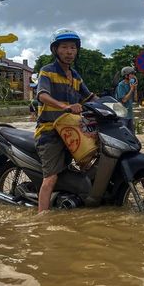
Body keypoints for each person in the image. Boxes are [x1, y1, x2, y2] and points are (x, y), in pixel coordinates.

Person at [34, 29, 96, 213]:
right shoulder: (47, 71)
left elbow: (90, 97)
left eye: (73, 48)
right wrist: (63, 106)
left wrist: (110, 107)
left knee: (88, 161)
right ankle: (42, 219)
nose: (69, 51)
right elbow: (42, 95)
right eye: (65, 47)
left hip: (72, 129)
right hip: (49, 131)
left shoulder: (76, 76)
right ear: (55, 50)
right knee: (50, 178)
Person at [115, 66, 137, 133]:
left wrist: (135, 89)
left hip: (130, 114)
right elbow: (124, 100)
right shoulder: (121, 85)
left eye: (133, 74)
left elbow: (136, 99)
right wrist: (131, 89)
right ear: (126, 75)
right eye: (132, 74)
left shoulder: (131, 85)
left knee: (132, 135)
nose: (133, 76)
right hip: (122, 115)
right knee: (124, 133)